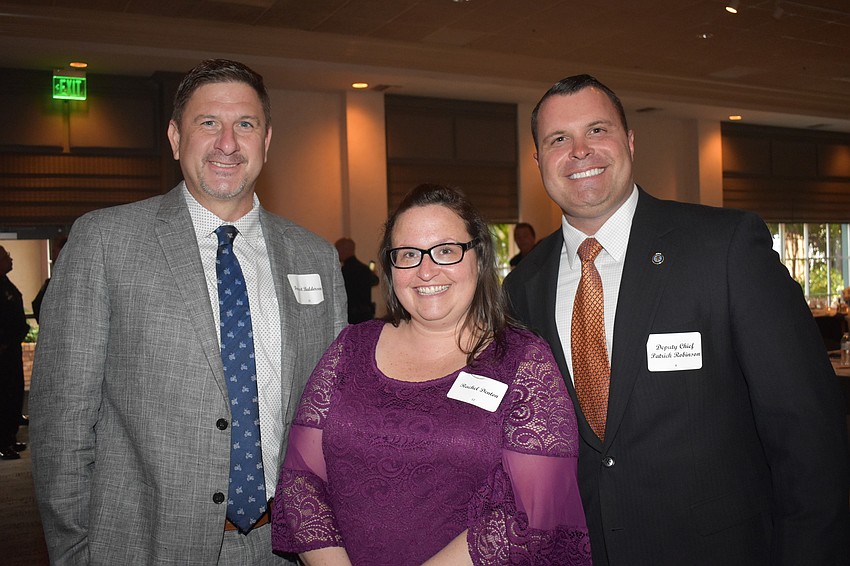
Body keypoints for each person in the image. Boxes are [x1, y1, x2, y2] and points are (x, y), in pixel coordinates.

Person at [503, 74, 850, 566]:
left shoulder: (725, 249)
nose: (580, 151)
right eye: (559, 139)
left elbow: (808, 432)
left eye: (597, 130)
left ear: (629, 141)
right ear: (538, 161)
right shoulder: (522, 286)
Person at [30, 59, 347, 565]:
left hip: (286, 545)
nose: (227, 143)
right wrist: (76, 554)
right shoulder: (106, 242)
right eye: (208, 123)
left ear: (266, 141)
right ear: (176, 138)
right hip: (147, 543)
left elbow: (332, 417)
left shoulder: (315, 257)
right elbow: (62, 423)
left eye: (245, 124)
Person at [272, 184, 591, 565]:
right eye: (408, 254)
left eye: (445, 251)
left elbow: (532, 509)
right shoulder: (349, 348)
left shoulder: (524, 362)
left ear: (480, 257)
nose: (426, 271)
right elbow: (301, 480)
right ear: (391, 268)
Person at [0, 245, 29, 460]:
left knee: (13, 392)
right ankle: (3, 442)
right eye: (6, 257)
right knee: (4, 395)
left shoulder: (5, 284)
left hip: (12, 349)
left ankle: (9, 437)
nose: (11, 259)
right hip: (4, 350)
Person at [334, 237, 379, 323]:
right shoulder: (365, 269)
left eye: (337, 249)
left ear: (344, 250)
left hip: (351, 317)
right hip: (366, 316)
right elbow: (376, 281)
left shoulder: (343, 271)